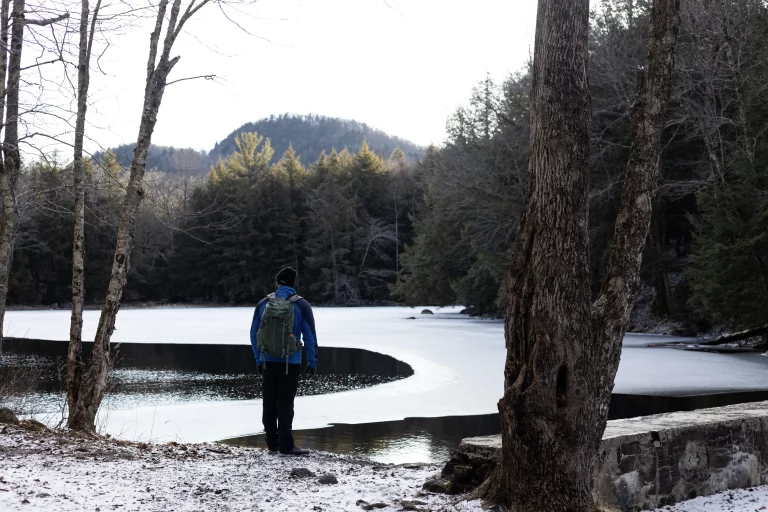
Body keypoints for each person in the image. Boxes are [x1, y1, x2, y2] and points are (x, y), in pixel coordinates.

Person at [250, 267, 318, 455]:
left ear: (278, 282)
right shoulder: (301, 305)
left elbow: (253, 334)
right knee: (286, 403)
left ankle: (272, 443)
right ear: (293, 285)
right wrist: (312, 361)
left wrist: (258, 358)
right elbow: (310, 336)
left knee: (269, 402)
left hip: (267, 361)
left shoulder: (264, 303)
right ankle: (286, 445)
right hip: (291, 362)